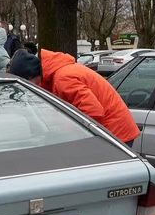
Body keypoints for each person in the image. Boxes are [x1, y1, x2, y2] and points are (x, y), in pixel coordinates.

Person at [8, 49, 141, 145]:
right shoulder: (56, 75)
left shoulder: (63, 78)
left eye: (25, 83)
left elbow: (93, 112)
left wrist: (65, 130)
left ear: (29, 76)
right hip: (111, 130)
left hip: (115, 133)